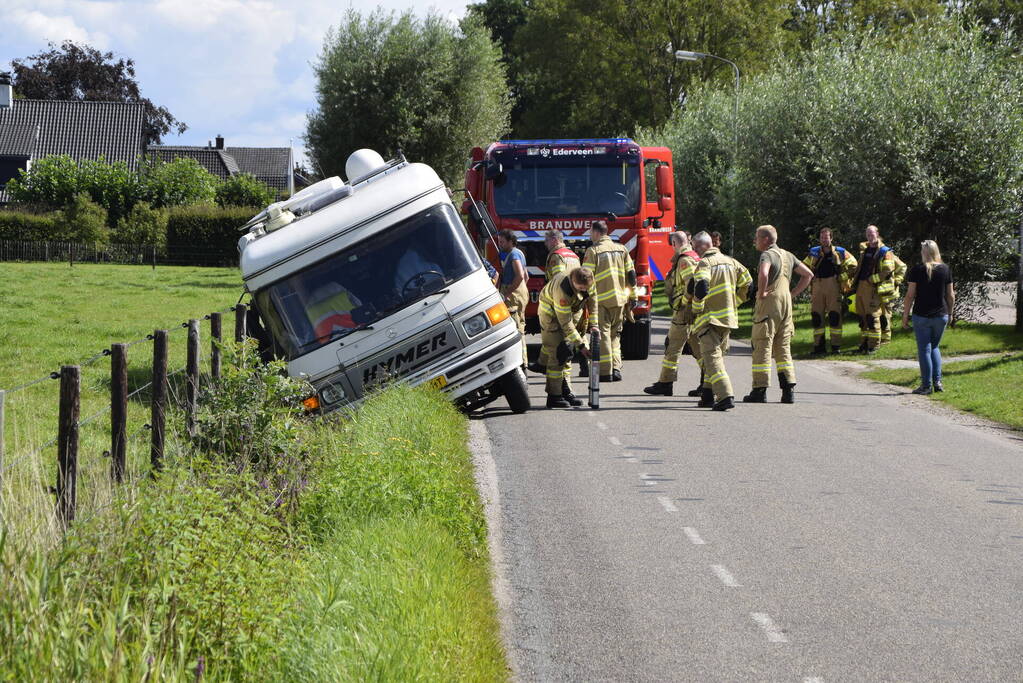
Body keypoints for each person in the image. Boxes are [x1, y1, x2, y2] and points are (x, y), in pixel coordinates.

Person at [743, 225, 814, 404]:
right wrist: (793, 294)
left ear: (766, 239)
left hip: (769, 304)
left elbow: (764, 273)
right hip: (786, 305)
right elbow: (808, 275)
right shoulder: (788, 255)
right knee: (783, 347)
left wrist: (761, 292)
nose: (754, 240)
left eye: (757, 237)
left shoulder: (767, 255)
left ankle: (759, 390)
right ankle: (788, 391)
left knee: (762, 345)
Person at [690, 231, 752, 411]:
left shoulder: (705, 263)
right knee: (713, 357)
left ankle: (725, 396)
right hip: (727, 319)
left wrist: (696, 308)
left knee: (712, 359)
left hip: (710, 319)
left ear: (704, 245)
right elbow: (749, 285)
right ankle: (708, 395)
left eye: (695, 247)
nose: (695, 251)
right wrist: (735, 302)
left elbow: (701, 287)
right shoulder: (732, 261)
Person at [644, 231, 699, 396]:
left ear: (674, 244)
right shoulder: (693, 256)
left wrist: (683, 302)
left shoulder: (684, 260)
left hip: (684, 312)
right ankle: (707, 384)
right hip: (693, 311)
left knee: (672, 346)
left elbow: (692, 284)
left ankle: (665, 383)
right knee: (698, 348)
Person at [582, 220, 637, 381]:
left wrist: (583, 299)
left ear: (596, 233)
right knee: (615, 335)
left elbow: (586, 277)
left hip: (601, 301)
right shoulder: (622, 249)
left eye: (590, 232)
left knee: (604, 335)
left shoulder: (593, 251)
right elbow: (631, 275)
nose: (590, 235)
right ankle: (616, 367)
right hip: (620, 300)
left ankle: (606, 372)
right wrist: (633, 296)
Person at [539, 267, 598, 408]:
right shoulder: (563, 289)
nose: (584, 290)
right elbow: (565, 322)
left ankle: (565, 391)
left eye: (586, 288)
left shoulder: (588, 279)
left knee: (567, 353)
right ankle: (554, 396)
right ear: (573, 281)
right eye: (581, 288)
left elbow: (593, 302)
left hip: (571, 311)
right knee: (558, 353)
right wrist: (581, 345)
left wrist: (594, 325)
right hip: (551, 315)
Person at [901, 240, 954, 395]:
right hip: (941, 315)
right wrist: (950, 313)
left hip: (921, 315)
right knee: (935, 347)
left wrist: (905, 315)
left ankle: (926, 385)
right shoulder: (945, 269)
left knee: (924, 349)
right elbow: (950, 295)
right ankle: (937, 382)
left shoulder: (917, 270)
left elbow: (910, 295)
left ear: (924, 252)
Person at [530, 230, 583, 375]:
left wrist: (552, 301)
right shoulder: (573, 255)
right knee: (564, 334)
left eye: (546, 241)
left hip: (559, 300)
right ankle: (542, 363)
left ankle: (560, 374)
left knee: (555, 336)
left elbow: (557, 280)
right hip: (573, 300)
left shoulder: (556, 256)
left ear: (554, 240)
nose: (545, 244)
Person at [803, 228, 858, 354]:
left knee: (834, 316)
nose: (824, 240)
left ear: (831, 238)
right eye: (822, 237)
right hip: (817, 285)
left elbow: (854, 266)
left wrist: (841, 277)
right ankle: (819, 347)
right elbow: (803, 266)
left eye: (826, 237)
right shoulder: (814, 252)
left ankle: (835, 347)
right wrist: (810, 277)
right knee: (817, 316)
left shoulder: (840, 251)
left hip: (833, 285)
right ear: (819, 239)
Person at [854, 225, 898, 354]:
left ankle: (874, 346)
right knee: (862, 317)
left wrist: (872, 279)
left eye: (872, 233)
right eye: (868, 234)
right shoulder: (865, 250)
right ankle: (864, 343)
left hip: (872, 288)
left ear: (877, 234)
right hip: (861, 286)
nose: (870, 236)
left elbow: (887, 270)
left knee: (872, 317)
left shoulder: (885, 251)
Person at [497, 230, 530, 367]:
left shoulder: (514, 255)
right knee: (520, 324)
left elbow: (520, 275)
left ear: (511, 241)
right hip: (520, 292)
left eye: (502, 242)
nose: (500, 244)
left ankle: (522, 363)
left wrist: (507, 293)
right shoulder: (520, 253)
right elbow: (526, 277)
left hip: (513, 294)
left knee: (516, 329)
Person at [305, 280, 362, 345]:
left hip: (330, 345)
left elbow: (309, 334)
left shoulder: (309, 305)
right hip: (357, 332)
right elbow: (360, 306)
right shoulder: (337, 287)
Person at [880, 252, 908, 345]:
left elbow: (902, 266)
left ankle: (885, 339)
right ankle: (876, 339)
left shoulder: (887, 254)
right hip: (874, 292)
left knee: (885, 316)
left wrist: (897, 280)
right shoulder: (870, 254)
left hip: (887, 292)